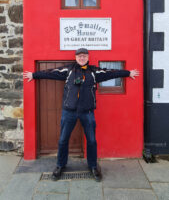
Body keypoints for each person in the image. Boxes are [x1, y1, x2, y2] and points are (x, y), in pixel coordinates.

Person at [23, 48, 139, 182]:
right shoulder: (68, 70)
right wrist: (34, 75)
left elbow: (111, 73)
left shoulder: (94, 71)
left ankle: (93, 166)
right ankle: (60, 165)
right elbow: (51, 73)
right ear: (76, 57)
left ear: (88, 57)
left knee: (91, 140)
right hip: (69, 112)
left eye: (84, 56)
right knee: (63, 140)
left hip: (87, 112)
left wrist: (128, 72)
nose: (81, 58)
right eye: (79, 56)